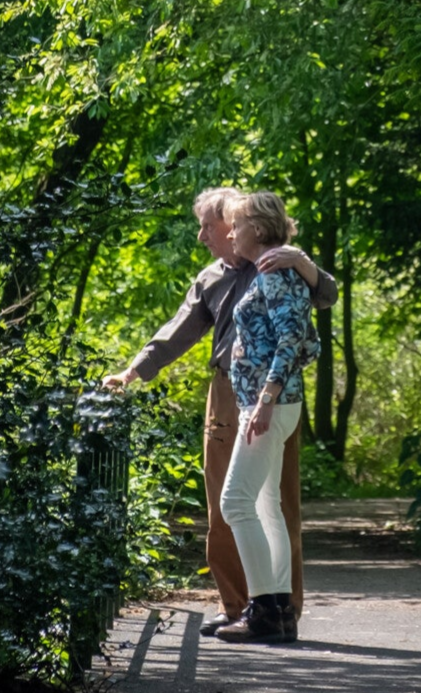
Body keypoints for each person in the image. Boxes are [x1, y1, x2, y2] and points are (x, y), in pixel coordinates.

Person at [103, 186, 336, 635]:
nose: (202, 235)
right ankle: (238, 605)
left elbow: (318, 303)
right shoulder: (211, 277)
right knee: (227, 503)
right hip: (229, 390)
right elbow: (177, 331)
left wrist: (305, 263)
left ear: (235, 224)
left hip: (270, 394)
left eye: (209, 225)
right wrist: (131, 372)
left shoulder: (276, 262)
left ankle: (278, 608)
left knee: (274, 503)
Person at [216, 190, 316, 645]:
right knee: (265, 506)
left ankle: (261, 612)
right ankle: (278, 612)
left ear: (256, 227)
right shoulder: (274, 269)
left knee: (234, 502)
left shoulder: (277, 273)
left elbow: (292, 339)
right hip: (270, 403)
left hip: (269, 405)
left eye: (235, 225)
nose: (230, 233)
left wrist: (266, 398)